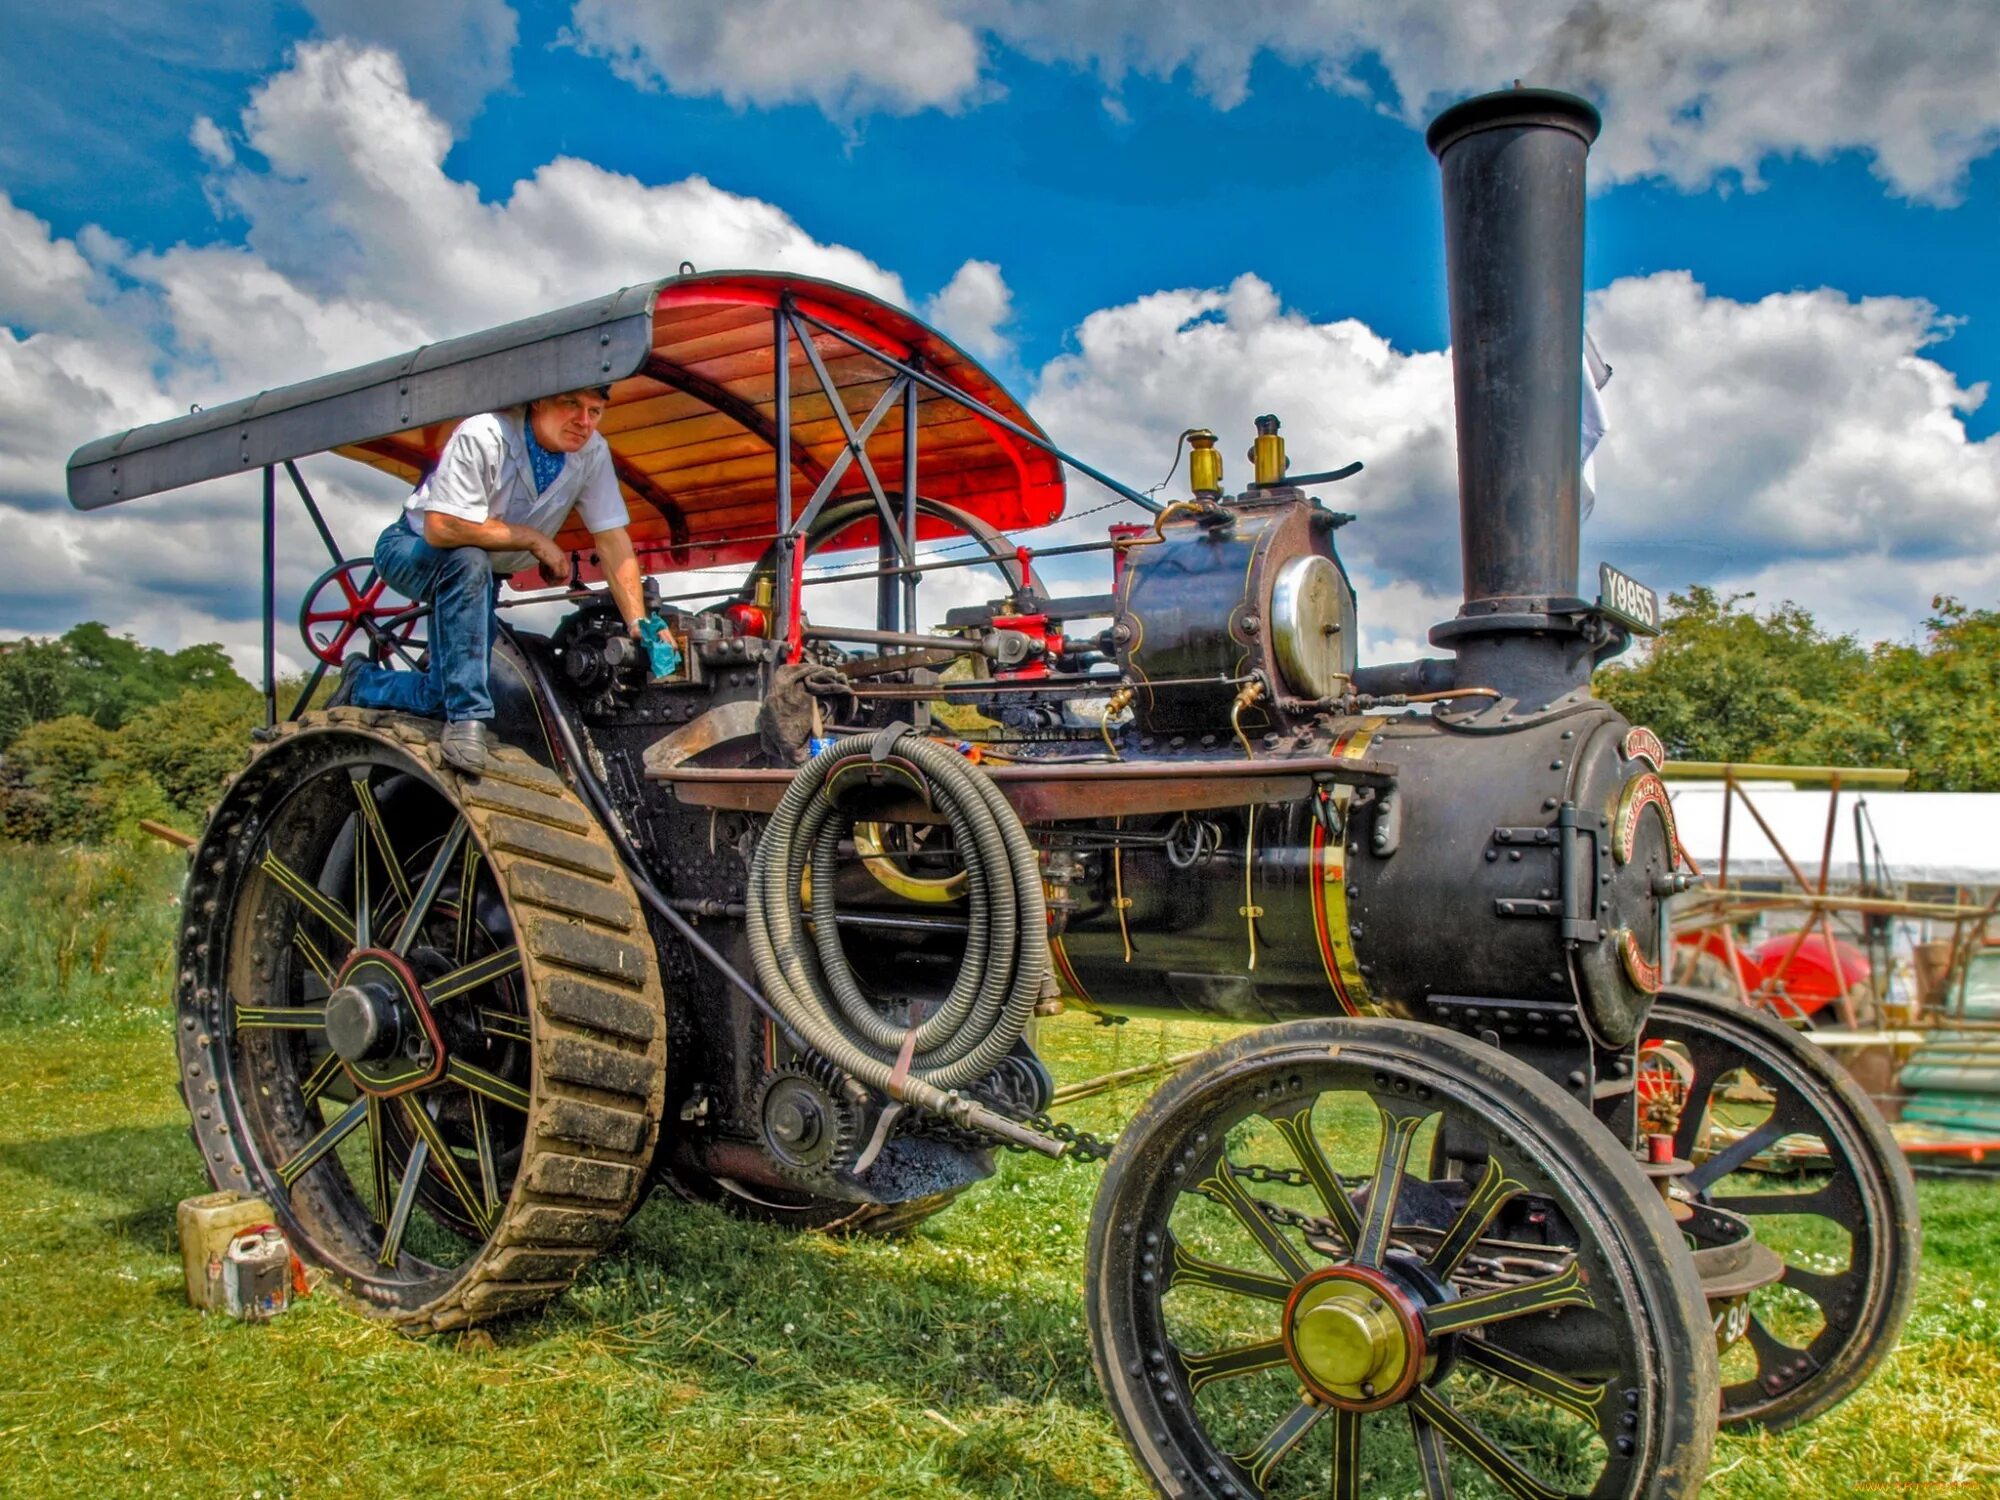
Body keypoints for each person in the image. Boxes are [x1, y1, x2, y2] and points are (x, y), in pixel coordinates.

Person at [336, 387, 647, 773]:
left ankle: (361, 684)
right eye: (571, 404)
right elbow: (443, 527)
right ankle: (468, 720)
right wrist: (534, 540)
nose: (584, 421)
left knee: (439, 694)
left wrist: (640, 622)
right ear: (538, 400)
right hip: (412, 549)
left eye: (595, 411)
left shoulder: (592, 452)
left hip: (480, 574)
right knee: (468, 560)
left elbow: (612, 537)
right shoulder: (484, 434)